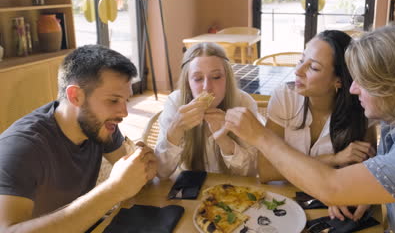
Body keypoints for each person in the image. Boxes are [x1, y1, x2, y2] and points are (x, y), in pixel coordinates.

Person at [224, 24, 395, 233]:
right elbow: (360, 181)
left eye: (364, 81)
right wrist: (365, 194)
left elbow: (332, 187)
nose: (354, 89)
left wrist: (260, 135)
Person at [0, 45, 157, 232]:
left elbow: (133, 179)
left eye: (126, 101)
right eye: (114, 100)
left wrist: (143, 169)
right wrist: (113, 190)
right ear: (75, 96)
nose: (123, 113)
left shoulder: (102, 126)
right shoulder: (20, 148)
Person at [259, 30, 376, 183]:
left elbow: (366, 175)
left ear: (339, 81)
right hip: (286, 196)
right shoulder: (285, 97)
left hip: (332, 199)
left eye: (313, 67)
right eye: (301, 60)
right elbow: (266, 171)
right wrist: (333, 159)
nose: (297, 71)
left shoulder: (363, 107)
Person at [155, 42, 258, 179]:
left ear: (227, 78)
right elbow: (161, 172)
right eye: (197, 79)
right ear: (188, 83)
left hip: (231, 193)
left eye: (216, 77)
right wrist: (175, 130)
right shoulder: (175, 103)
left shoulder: (244, 103)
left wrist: (223, 139)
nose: (207, 87)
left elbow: (251, 174)